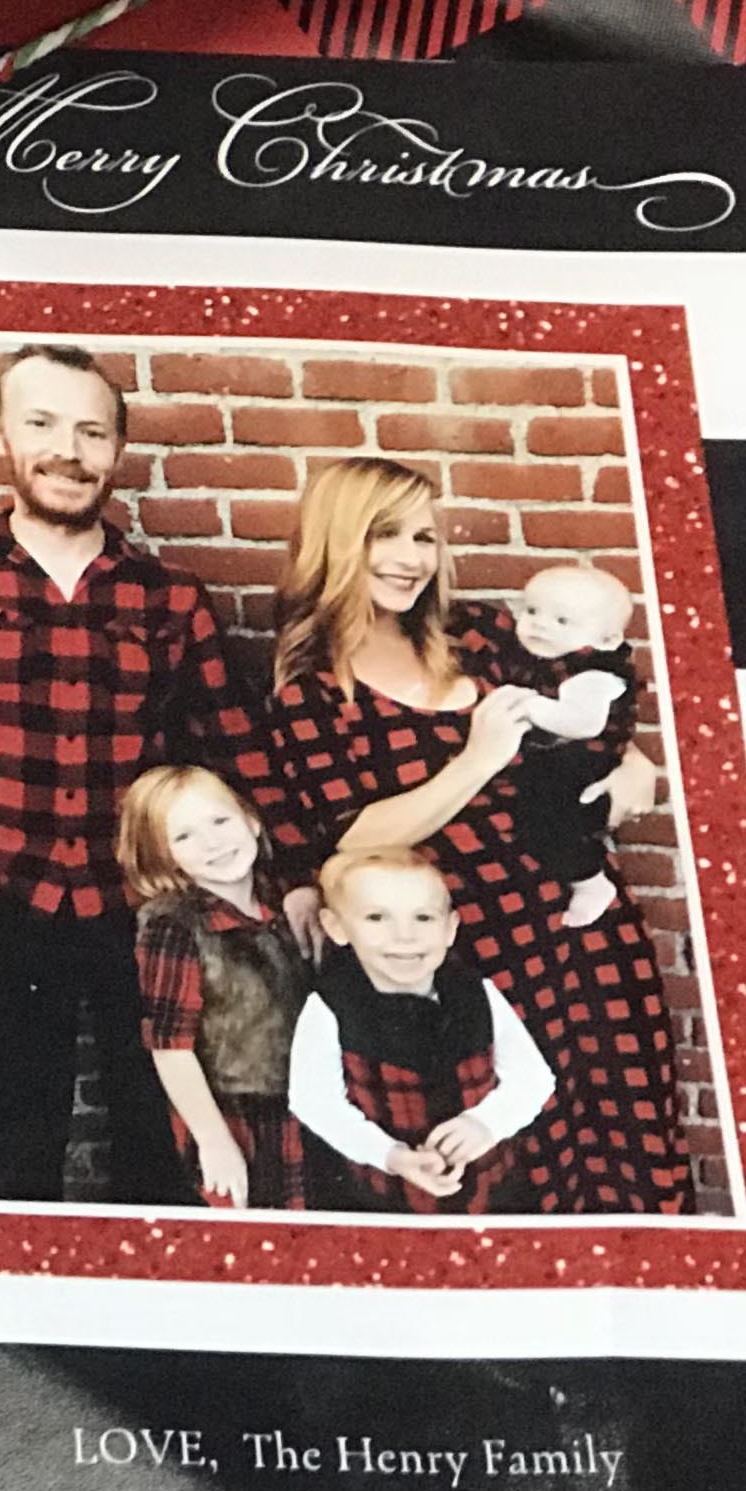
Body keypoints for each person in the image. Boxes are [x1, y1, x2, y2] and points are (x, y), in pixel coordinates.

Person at [242, 456, 687, 1216]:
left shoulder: (484, 637)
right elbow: (353, 835)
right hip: (460, 949)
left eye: (425, 536)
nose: (413, 558)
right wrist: (480, 757)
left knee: (618, 1134)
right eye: (386, 534)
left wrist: (630, 773)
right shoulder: (311, 687)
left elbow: (598, 715)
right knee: (506, 1157)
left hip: (574, 925)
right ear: (336, 539)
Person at [0, 342, 223, 1204]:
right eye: (41, 423)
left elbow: (229, 749)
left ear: (118, 449)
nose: (69, 451)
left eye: (92, 432)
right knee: (18, 1141)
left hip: (144, 909)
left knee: (158, 1138)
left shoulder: (171, 597)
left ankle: (148, 1335)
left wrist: (283, 879)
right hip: (3, 899)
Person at [287, 844, 553, 1212]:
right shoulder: (331, 1005)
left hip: (487, 1190)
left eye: (423, 918)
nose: (405, 936)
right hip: (380, 1195)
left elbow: (533, 1079)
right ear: (337, 928)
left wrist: (485, 1124)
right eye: (377, 918)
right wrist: (390, 1155)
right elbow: (315, 1102)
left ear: (450, 929)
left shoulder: (476, 992)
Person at [120, 764, 309, 1211]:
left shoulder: (280, 908)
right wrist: (213, 1140)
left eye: (220, 821)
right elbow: (170, 1046)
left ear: (252, 821)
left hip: (301, 1109)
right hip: (234, 1116)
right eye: (183, 837)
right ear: (160, 856)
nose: (212, 843)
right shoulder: (175, 923)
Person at [472, 558, 642, 928]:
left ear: (606, 639)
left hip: (582, 767)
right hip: (557, 758)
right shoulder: (547, 658)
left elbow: (584, 722)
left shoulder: (593, 672)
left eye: (562, 621)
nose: (541, 625)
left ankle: (591, 882)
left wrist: (528, 705)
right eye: (532, 611)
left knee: (553, 821)